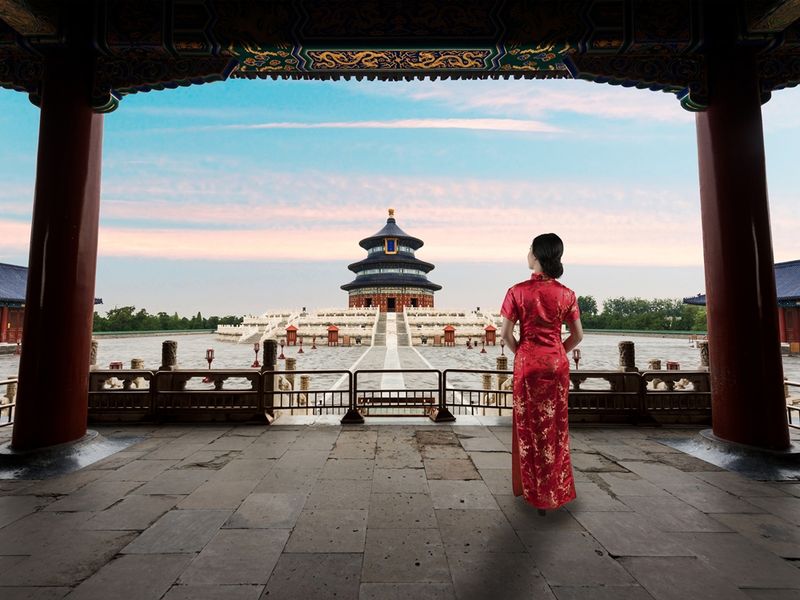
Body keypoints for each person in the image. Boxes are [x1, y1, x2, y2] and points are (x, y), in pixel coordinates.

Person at [500, 233, 584, 515]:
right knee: (556, 429)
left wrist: (524, 353)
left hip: (528, 365)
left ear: (536, 255)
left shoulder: (517, 291)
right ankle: (555, 491)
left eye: (529, 249)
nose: (527, 253)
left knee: (529, 430)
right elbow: (578, 336)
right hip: (557, 366)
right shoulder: (567, 294)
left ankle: (533, 491)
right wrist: (556, 351)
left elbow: (505, 334)